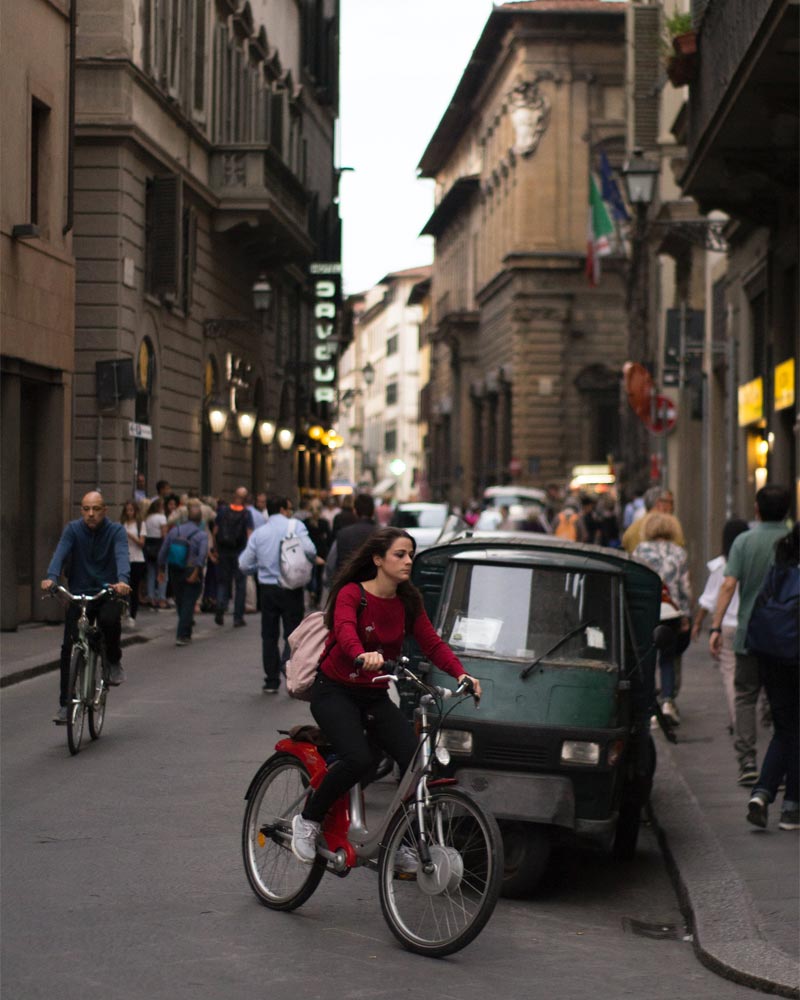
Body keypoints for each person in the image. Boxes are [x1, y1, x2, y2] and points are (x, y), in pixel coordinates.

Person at [289, 527, 483, 864]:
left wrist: (461, 673)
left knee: (418, 764)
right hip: (335, 690)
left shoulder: (408, 601)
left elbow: (432, 643)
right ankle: (307, 820)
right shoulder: (353, 594)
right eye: (400, 554)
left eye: (410, 554)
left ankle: (404, 843)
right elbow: (345, 630)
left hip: (373, 694)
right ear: (378, 559)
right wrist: (362, 655)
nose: (408, 561)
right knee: (358, 758)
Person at [709, 484, 792, 786]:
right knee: (780, 701)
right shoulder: (792, 539)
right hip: (788, 638)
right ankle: (779, 763)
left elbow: (729, 585)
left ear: (757, 509)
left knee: (745, 697)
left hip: (750, 634)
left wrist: (716, 626)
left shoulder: (744, 541)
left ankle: (747, 761)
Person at [41, 491, 131, 723]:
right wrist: (51, 577)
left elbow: (122, 555)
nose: (90, 514)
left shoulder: (116, 531)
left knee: (110, 621)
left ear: (104, 510)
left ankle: (112, 661)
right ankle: (65, 704)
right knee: (68, 647)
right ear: (81, 510)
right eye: (86, 509)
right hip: (79, 595)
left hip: (107, 591)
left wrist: (122, 581)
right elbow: (59, 553)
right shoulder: (73, 530)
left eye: (96, 509)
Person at [744, 524, 799, 831]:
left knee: (785, 728)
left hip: (772, 656)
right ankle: (791, 808)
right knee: (796, 731)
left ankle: (762, 793)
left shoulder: (780, 568)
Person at [238, 495, 317, 693]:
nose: (290, 512)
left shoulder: (259, 533)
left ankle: (271, 680)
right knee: (294, 634)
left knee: (269, 634)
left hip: (268, 589)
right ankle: (291, 673)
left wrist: (261, 567)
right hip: (292, 588)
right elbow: (311, 551)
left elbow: (244, 564)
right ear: (283, 509)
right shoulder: (295, 526)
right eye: (289, 508)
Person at [692, 519, 750, 733]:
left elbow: (708, 600)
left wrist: (698, 623)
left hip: (727, 626)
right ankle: (751, 716)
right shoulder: (751, 562)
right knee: (752, 674)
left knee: (730, 674)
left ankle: (738, 720)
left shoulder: (720, 566)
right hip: (750, 624)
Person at [634, 512, 692, 724]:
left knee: (647, 659)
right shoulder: (679, 553)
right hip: (671, 612)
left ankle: (650, 706)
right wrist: (686, 615)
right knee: (668, 658)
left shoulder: (640, 551)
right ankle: (668, 701)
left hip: (648, 611)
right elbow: (685, 588)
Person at [158, 499, 209, 646]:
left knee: (180, 599)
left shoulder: (175, 530)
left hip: (174, 568)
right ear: (200, 520)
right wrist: (197, 572)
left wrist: (161, 570)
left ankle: (185, 629)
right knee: (189, 601)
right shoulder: (201, 535)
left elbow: (163, 551)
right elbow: (202, 555)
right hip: (191, 569)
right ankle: (182, 634)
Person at [214, 486, 254, 627]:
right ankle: (238, 617)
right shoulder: (246, 514)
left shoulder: (223, 511)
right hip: (240, 552)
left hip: (224, 551)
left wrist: (216, 548)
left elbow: (216, 531)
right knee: (240, 585)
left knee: (223, 582)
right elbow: (249, 534)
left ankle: (220, 605)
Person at [325, 493, 378, 584]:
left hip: (348, 586)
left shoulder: (343, 534)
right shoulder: (381, 533)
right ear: (373, 511)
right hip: (375, 588)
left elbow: (331, 564)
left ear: (355, 511)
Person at [120, 500, 146, 626]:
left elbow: (142, 543)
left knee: (134, 588)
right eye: (127, 510)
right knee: (122, 587)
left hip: (137, 559)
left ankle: (133, 615)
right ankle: (124, 611)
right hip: (125, 558)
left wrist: (130, 535)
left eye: (131, 510)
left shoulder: (141, 524)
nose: (129, 512)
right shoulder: (122, 524)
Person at [304, 498, 331, 609]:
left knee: (309, 575)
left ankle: (311, 593)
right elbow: (329, 538)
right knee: (319, 576)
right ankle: (317, 600)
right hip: (321, 552)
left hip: (308, 552)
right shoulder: (324, 523)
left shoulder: (305, 522)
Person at [143, 497, 168, 609]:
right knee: (162, 573)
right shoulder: (162, 518)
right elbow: (164, 534)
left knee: (151, 573)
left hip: (148, 546)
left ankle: (151, 596)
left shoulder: (147, 518)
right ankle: (161, 598)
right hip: (159, 546)